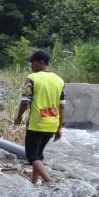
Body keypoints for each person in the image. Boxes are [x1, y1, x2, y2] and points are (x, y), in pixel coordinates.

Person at [14, 50, 66, 185]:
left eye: (32, 62)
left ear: (41, 62)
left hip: (37, 122)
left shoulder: (32, 78)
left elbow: (25, 101)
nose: (31, 65)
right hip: (52, 122)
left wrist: (19, 116)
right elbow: (62, 106)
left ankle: (50, 183)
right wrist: (59, 127)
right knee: (39, 154)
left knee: (31, 155)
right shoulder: (59, 80)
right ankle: (34, 182)